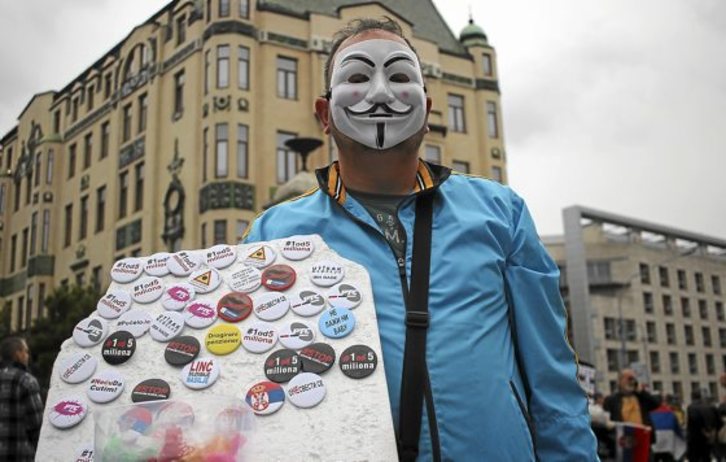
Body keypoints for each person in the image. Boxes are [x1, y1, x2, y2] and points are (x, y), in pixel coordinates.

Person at [243, 17, 597, 460]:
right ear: (324, 114)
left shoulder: (500, 213)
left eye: (398, 77)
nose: (379, 93)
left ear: (427, 110)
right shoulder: (273, 234)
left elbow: (553, 377)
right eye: (357, 78)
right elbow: (251, 379)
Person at [0, 336, 44, 462]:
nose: (27, 356)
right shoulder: (26, 380)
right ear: (18, 354)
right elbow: (36, 424)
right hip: (19, 455)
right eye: (26, 351)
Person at [603, 370, 660, 441]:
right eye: (629, 378)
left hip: (643, 437)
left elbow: (656, 404)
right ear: (620, 381)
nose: (631, 382)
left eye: (633, 379)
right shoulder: (611, 400)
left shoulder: (641, 397)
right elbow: (607, 421)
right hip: (623, 439)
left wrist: (642, 391)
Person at [686, 388, 721, 462]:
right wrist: (713, 432)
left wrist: (702, 430)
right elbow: (719, 422)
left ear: (692, 397)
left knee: (694, 458)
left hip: (695, 438)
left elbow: (694, 421)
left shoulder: (691, 407)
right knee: (706, 457)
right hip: (709, 437)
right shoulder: (711, 407)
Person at [650, 394, 685, 462]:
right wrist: (682, 439)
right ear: (662, 401)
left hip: (654, 445)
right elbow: (677, 428)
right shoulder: (670, 413)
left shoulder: (649, 413)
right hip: (668, 444)